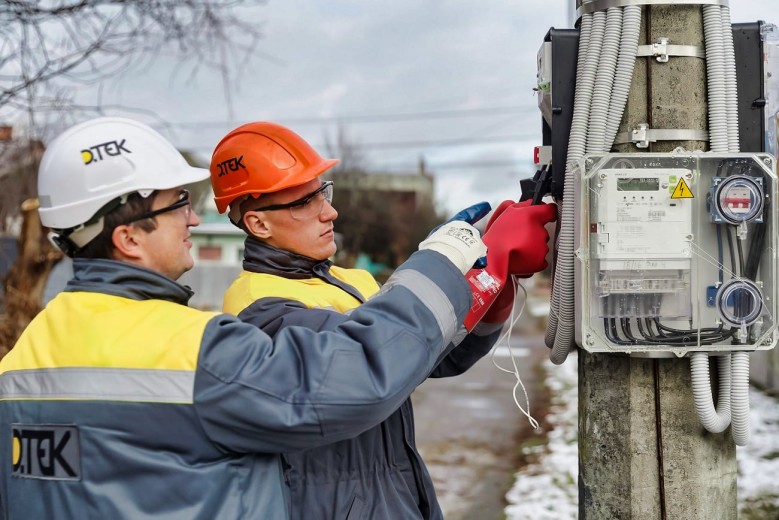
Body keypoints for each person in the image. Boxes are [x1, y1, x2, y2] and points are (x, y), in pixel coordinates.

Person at [0, 117, 495, 520]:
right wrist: (439, 260)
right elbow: (357, 378)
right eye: (177, 205)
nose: (194, 218)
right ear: (129, 239)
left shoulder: (21, 360)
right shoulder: (196, 350)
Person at [209, 121, 558, 520]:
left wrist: (493, 278)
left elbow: (424, 354)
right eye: (304, 202)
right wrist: (441, 261)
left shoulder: (348, 281)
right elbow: (370, 368)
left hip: (391, 492)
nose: (330, 212)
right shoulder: (259, 308)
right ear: (258, 223)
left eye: (323, 192)